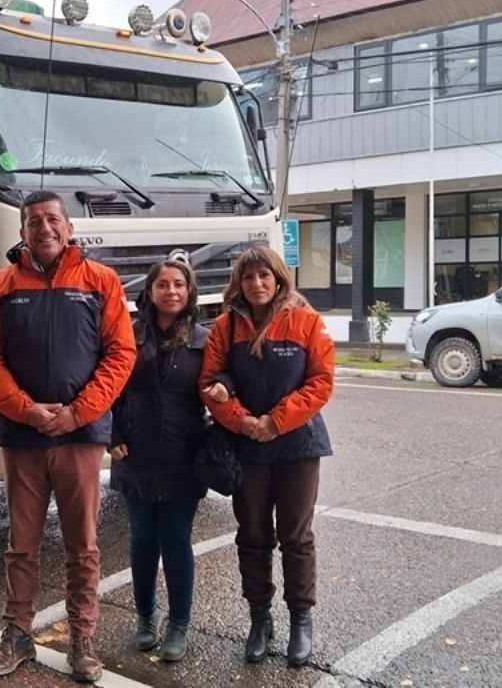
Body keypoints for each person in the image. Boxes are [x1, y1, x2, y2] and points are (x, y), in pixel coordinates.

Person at [0, 190, 136, 684]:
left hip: (80, 436)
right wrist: (25, 408)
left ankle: (82, 638)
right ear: (22, 231)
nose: (44, 227)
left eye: (52, 219)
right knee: (20, 544)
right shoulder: (1, 285)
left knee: (82, 544)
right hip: (22, 436)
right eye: (34, 221)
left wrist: (78, 413)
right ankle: (17, 632)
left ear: (69, 227)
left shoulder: (99, 281)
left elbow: (121, 354)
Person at [199, 244, 335, 668]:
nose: (256, 284)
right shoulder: (225, 326)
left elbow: (321, 382)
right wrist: (241, 421)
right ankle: (260, 619)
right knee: (253, 535)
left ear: (278, 279)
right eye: (248, 277)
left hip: (297, 445)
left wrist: (274, 422)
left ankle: (300, 621)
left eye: (264, 276)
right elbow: (209, 381)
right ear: (239, 283)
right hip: (247, 448)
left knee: (296, 536)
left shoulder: (306, 320)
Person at [108, 254, 211, 662]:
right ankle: (145, 618)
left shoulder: (204, 340)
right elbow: (109, 390)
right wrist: (111, 436)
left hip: (184, 456)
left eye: (179, 285)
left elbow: (220, 385)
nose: (171, 291)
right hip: (134, 453)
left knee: (177, 541)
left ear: (189, 293)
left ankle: (179, 624)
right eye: (163, 284)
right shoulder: (127, 336)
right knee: (142, 540)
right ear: (149, 292)